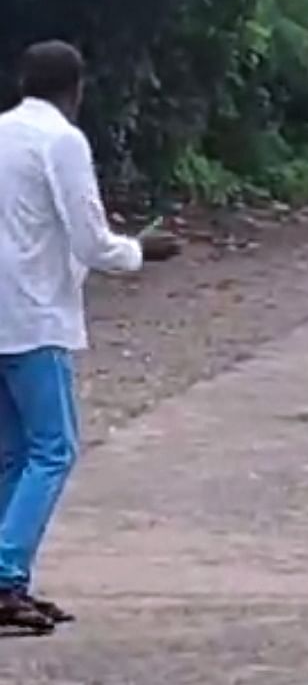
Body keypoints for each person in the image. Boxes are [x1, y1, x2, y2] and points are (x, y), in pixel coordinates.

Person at [0, 41, 179, 633]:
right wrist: (141, 251)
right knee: (54, 449)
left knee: (12, 454)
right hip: (34, 316)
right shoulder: (62, 141)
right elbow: (90, 241)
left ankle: (6, 576)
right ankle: (5, 580)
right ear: (76, 89)